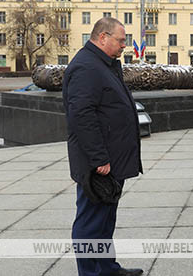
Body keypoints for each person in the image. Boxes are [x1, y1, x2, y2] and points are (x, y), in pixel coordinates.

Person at [63, 17, 143, 276]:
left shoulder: (103, 64)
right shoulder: (87, 67)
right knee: (90, 223)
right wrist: (99, 159)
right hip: (98, 164)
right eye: (120, 40)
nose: (124, 46)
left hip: (112, 159)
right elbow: (81, 116)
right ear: (102, 37)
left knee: (105, 219)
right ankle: (90, 273)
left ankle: (107, 268)